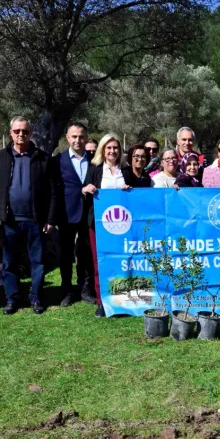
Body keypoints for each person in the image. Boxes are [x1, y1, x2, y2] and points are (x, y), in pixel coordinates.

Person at [0, 116, 57, 315]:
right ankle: (12, 299)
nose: (21, 134)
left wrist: (50, 219)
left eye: (25, 131)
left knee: (37, 261)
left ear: (30, 133)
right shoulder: (0, 157)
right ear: (10, 133)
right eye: (17, 131)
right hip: (9, 220)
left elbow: (53, 191)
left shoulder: (43, 158)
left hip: (35, 221)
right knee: (9, 263)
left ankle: (36, 298)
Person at [82, 134, 132, 317]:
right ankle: (102, 301)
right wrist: (86, 189)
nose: (112, 151)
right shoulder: (95, 168)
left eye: (115, 148)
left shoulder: (125, 170)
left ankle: (122, 299)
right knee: (100, 262)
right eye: (109, 148)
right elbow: (84, 188)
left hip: (123, 225)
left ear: (120, 150)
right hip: (99, 224)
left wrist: (128, 190)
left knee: (123, 261)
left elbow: (134, 195)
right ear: (103, 150)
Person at [51, 122, 97, 307]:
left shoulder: (94, 161)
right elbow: (54, 190)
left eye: (81, 136)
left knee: (85, 253)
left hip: (88, 214)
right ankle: (66, 290)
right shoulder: (57, 161)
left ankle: (85, 289)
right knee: (66, 254)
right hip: (66, 213)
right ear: (67, 138)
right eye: (74, 136)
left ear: (86, 138)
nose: (78, 140)